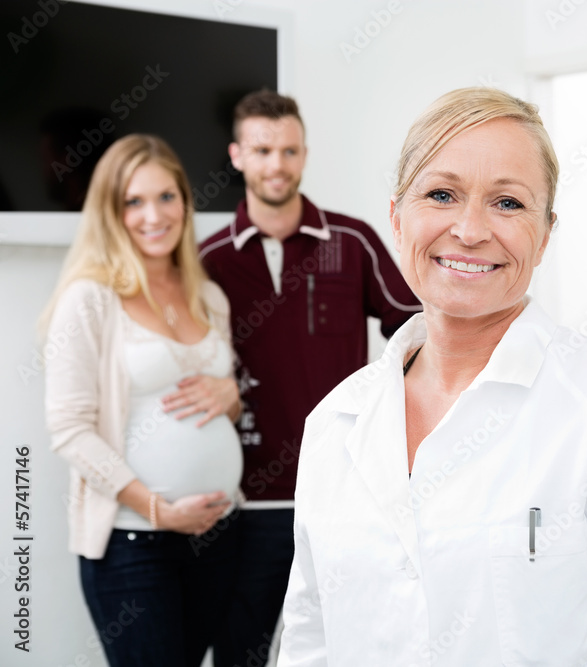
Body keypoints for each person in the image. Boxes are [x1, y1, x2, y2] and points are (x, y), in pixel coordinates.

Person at [277, 88, 587, 665]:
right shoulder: (336, 421)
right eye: (441, 194)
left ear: (545, 233)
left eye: (507, 203)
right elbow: (311, 640)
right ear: (397, 217)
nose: (470, 229)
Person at [198, 89, 422, 667]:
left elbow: (421, 331)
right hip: (246, 503)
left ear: (305, 155)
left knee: (350, 648)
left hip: (346, 494)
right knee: (241, 652)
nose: (278, 163)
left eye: (290, 150)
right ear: (237, 156)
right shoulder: (207, 259)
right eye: (263, 149)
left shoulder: (352, 241)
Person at [42, 134, 243, 667]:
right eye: (134, 201)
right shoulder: (90, 299)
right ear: (112, 211)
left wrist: (231, 395)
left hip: (216, 536)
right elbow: (69, 429)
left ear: (184, 201)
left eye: (166, 197)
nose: (153, 215)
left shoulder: (209, 296)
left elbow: (223, 407)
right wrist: (157, 509)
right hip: (134, 544)